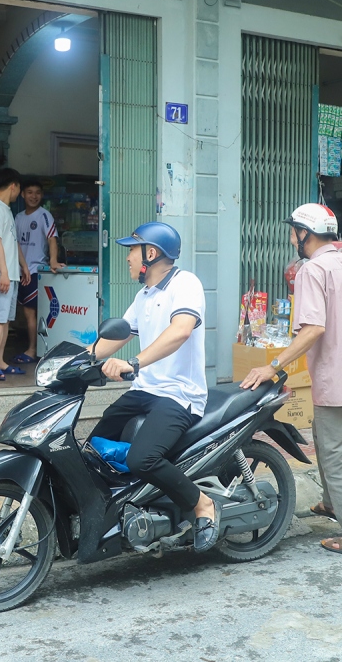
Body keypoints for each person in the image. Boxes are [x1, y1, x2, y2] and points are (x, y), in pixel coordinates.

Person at [240, 203, 342, 559]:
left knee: (337, 455)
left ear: (306, 233)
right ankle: (333, 503)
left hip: (337, 375)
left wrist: (272, 365)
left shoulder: (311, 270)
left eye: (293, 231)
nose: (291, 238)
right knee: (328, 436)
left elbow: (313, 328)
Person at [90, 222, 220, 553]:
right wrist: (76, 362)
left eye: (131, 251)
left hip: (180, 394)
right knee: (93, 446)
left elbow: (180, 331)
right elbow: (117, 336)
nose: (127, 258)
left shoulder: (185, 284)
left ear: (151, 253)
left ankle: (202, 505)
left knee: (142, 459)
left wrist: (134, 364)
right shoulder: (144, 294)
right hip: (146, 391)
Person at [0, 167, 29, 381]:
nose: (19, 193)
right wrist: (3, 272)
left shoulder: (6, 210)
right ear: (13, 186)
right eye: (19, 189)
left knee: (6, 320)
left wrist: (23, 266)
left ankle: (0, 360)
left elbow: (12, 242)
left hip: (9, 274)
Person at [13, 178, 64, 364]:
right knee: (27, 314)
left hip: (35, 271)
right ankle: (33, 348)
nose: (33, 196)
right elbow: (15, 243)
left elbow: (52, 239)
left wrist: (53, 261)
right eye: (29, 192)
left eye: (37, 193)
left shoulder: (44, 215)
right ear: (22, 194)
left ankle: (33, 349)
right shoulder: (18, 218)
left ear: (41, 195)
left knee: (31, 313)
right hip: (19, 271)